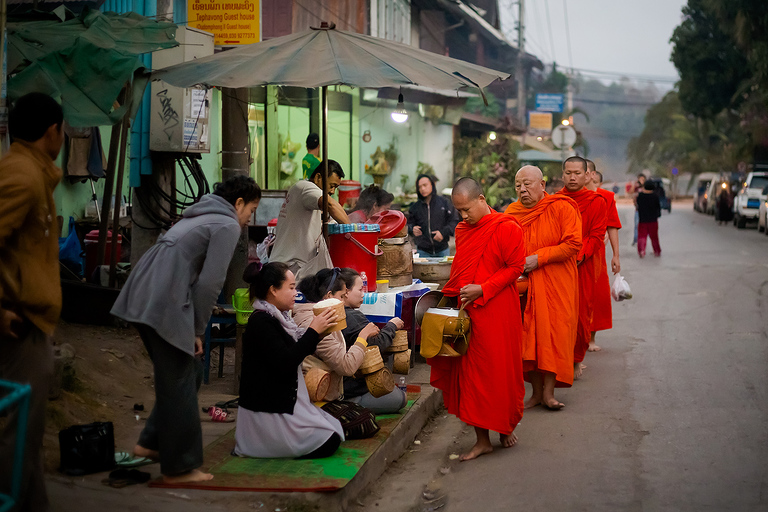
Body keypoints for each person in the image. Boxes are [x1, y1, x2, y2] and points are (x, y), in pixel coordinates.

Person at [111, 175, 261, 484]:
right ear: (239, 203)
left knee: (186, 371)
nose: (249, 219)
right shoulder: (227, 224)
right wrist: (196, 328)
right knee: (180, 377)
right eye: (251, 209)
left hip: (143, 291)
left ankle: (150, 443)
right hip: (163, 297)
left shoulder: (202, 213)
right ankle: (179, 467)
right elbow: (209, 283)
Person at [429, 177, 526, 461]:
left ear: (482, 200)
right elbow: (463, 267)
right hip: (469, 312)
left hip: (498, 310)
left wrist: (484, 288)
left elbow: (516, 267)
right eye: (459, 211)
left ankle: (505, 426)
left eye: (467, 209)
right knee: (472, 376)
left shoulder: (507, 227)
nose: (463, 216)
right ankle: (482, 439)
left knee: (500, 371)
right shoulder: (463, 229)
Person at [0, 92, 65, 511]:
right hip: (18, 323)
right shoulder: (21, 175)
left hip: (34, 323)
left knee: (28, 432)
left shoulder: (35, 172)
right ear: (52, 132)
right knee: (15, 433)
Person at [234, 262, 344, 458]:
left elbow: (295, 351)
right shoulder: (261, 322)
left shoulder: (279, 318)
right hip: (269, 409)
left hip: (282, 403)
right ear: (273, 290)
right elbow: (286, 362)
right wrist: (313, 331)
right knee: (330, 440)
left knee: (335, 428)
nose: (296, 293)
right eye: (291, 288)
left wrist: (318, 333)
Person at [506, 166, 581, 410]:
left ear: (543, 185)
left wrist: (539, 258)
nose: (522, 190)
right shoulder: (512, 213)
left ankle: (549, 393)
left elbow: (573, 244)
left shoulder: (561, 207)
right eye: (518, 185)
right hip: (525, 286)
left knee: (554, 335)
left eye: (527, 184)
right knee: (528, 339)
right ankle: (536, 393)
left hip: (557, 283)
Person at [556, 156, 608, 379]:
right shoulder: (554, 201)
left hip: (582, 265)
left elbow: (597, 236)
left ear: (588, 175)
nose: (573, 177)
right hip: (557, 265)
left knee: (580, 314)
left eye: (577, 173)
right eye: (568, 173)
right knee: (558, 315)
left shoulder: (597, 202)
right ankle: (558, 359)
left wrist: (577, 255)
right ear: (562, 174)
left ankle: (576, 359)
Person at [293, 267, 376, 401]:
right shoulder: (320, 323)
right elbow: (347, 367)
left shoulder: (308, 314)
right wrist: (363, 336)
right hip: (319, 396)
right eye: (341, 296)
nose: (343, 302)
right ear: (329, 296)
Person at [339, 268, 408, 413]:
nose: (363, 294)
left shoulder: (334, 313)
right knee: (401, 399)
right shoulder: (351, 317)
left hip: (340, 385)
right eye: (359, 290)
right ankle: (352, 404)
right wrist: (391, 326)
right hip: (348, 390)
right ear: (346, 292)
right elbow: (376, 345)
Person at [270, 160, 350, 279]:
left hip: (293, 268)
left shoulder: (311, 199)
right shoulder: (305, 187)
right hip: (287, 269)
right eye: (331, 186)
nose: (333, 191)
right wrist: (353, 230)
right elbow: (330, 205)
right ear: (318, 177)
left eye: (336, 188)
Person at [586, 162, 622, 352]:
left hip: (597, 254)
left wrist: (616, 255)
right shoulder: (566, 197)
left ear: (590, 174)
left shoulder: (606, 197)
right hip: (574, 253)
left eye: (580, 172)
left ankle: (591, 338)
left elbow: (612, 225)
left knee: (597, 295)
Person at [408, 174, 459, 257]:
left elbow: (454, 221)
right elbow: (408, 225)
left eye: (425, 185)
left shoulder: (444, 203)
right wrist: (412, 229)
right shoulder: (415, 207)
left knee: (443, 270)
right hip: (423, 251)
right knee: (423, 270)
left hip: (442, 249)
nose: (422, 189)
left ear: (432, 185)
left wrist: (443, 233)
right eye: (419, 187)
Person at [637, 180, 662, 257]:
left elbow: (637, 205)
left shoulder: (640, 196)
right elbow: (658, 207)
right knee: (654, 237)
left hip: (643, 220)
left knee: (642, 236)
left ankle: (641, 250)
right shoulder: (655, 196)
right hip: (653, 220)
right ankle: (657, 251)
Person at [632, 174, 647, 245]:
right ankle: (635, 239)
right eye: (640, 179)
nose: (641, 181)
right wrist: (634, 185)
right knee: (636, 225)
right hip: (638, 209)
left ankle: (643, 240)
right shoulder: (636, 187)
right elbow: (631, 192)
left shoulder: (646, 187)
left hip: (645, 209)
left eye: (643, 180)